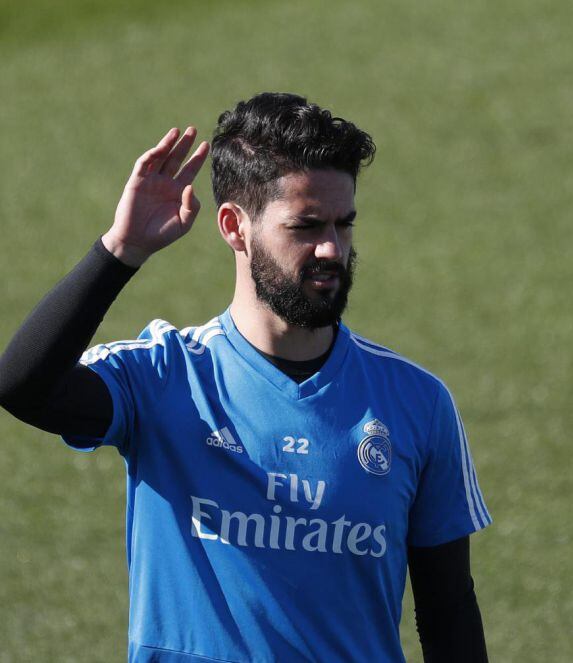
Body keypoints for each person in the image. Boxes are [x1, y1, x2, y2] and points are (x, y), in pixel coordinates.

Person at [0, 92, 492, 662]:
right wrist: (121, 251)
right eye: (306, 226)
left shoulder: (417, 403)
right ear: (236, 227)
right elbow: (22, 385)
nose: (332, 248)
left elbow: (448, 609)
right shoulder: (165, 376)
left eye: (344, 223)